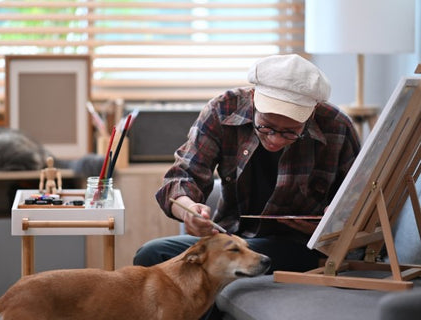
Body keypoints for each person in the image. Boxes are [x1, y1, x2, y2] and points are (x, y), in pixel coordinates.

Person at [133, 54, 360, 280]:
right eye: (266, 126)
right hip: (230, 237)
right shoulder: (222, 110)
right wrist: (189, 210)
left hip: (297, 247)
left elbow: (360, 208)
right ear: (253, 98)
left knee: (231, 261)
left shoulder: (337, 127)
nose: (276, 139)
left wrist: (329, 228)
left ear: (312, 111)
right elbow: (182, 177)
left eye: (290, 131)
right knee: (152, 254)